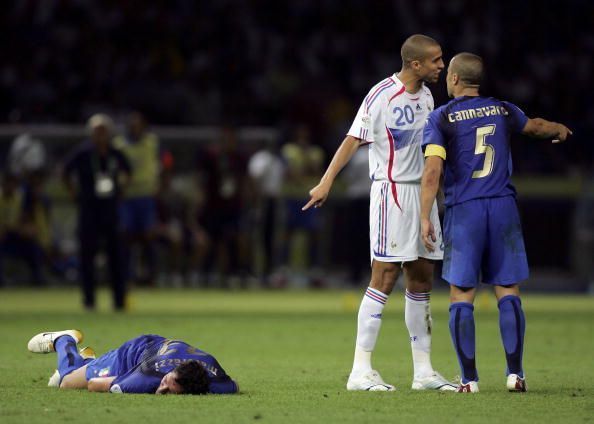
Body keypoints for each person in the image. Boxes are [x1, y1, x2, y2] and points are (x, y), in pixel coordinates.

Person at [303, 34, 455, 391]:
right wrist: (326, 182)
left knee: (421, 279)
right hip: (393, 196)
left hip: (424, 197)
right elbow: (352, 139)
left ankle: (423, 372)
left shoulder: (429, 96)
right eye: (435, 60)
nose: (441, 65)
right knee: (384, 278)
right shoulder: (381, 95)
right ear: (415, 64)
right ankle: (360, 371)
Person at [420, 52, 572, 393]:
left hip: (466, 210)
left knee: (462, 293)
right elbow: (535, 127)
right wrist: (559, 129)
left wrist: (424, 216)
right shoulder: (503, 110)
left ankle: (469, 380)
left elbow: (432, 172)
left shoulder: (441, 117)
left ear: (456, 79)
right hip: (503, 206)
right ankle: (516, 374)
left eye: (449, 75)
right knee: (508, 289)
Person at [27, 329, 239, 395]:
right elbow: (95, 385)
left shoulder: (219, 382)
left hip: (159, 347)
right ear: (171, 371)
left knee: (79, 375)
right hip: (130, 356)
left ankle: (89, 361)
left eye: (166, 391)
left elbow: (234, 384)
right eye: (165, 383)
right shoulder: (145, 378)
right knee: (65, 383)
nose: (160, 390)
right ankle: (63, 339)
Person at [62, 114, 131, 310]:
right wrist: (74, 193)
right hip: (89, 209)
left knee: (116, 256)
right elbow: (65, 172)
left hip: (110, 210)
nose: (100, 135)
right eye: (96, 131)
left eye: (103, 131)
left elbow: (129, 171)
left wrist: (121, 192)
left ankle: (119, 300)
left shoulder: (115, 153)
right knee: (87, 257)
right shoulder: (83, 153)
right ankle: (89, 300)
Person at [113, 112, 161, 285]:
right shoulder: (119, 144)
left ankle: (151, 276)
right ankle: (126, 276)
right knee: (126, 235)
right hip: (127, 196)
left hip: (146, 195)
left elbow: (164, 162)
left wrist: (160, 185)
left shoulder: (151, 142)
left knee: (148, 236)